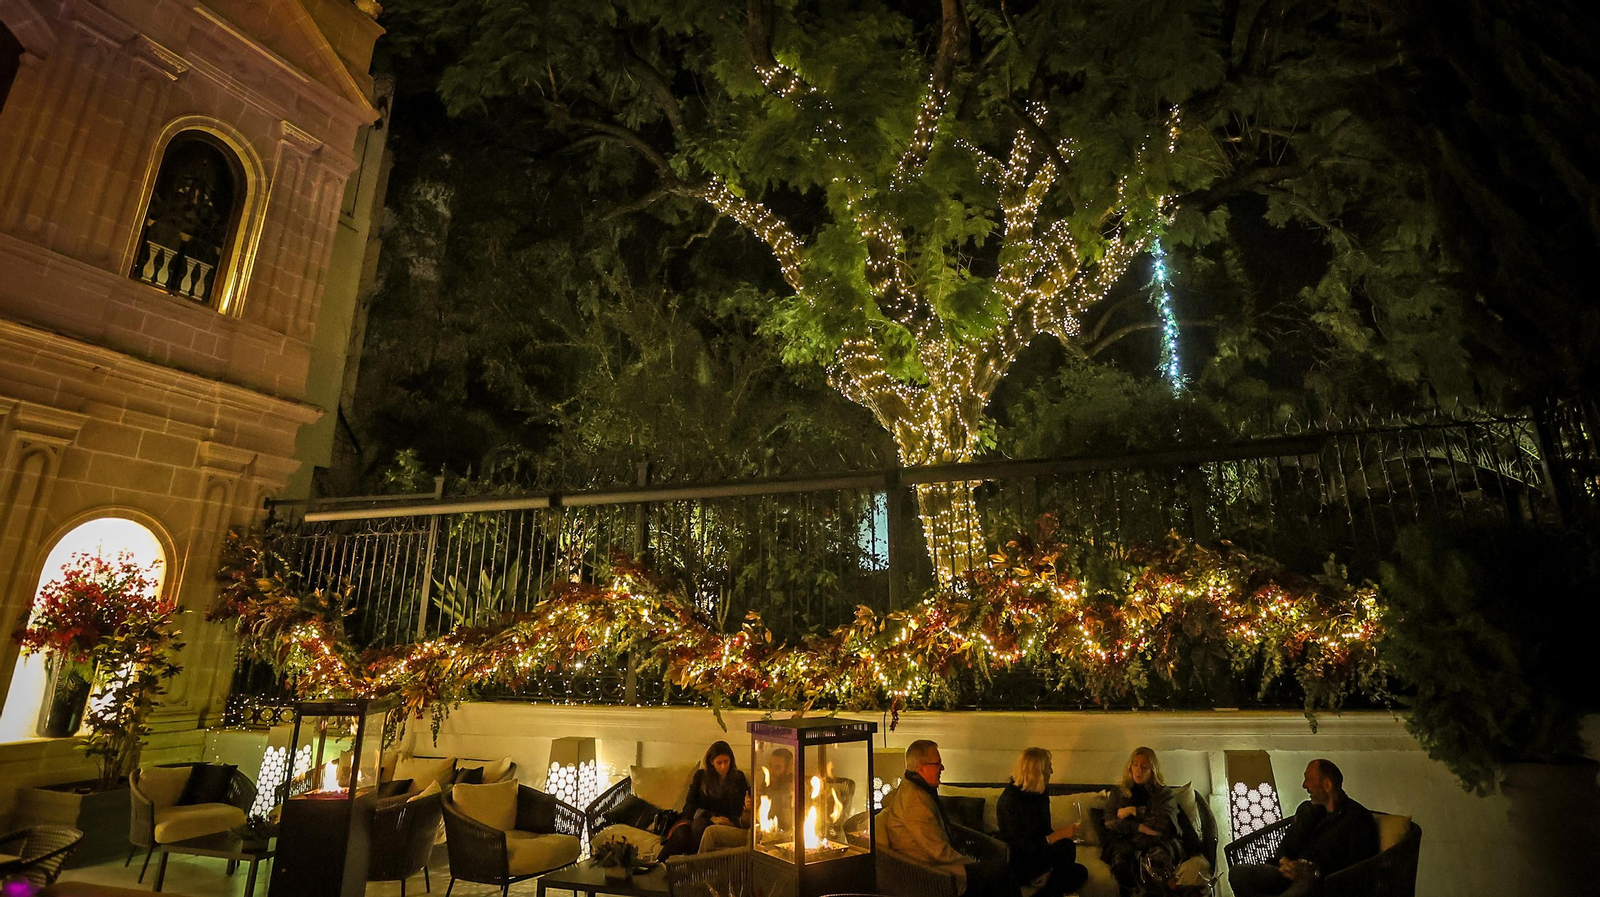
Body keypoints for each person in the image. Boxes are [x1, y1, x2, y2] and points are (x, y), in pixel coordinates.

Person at [876, 740, 1020, 897]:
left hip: (933, 865)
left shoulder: (913, 787)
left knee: (999, 872)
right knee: (1002, 874)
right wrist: (972, 865)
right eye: (937, 764)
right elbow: (939, 853)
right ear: (921, 768)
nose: (942, 768)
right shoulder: (915, 801)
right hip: (933, 873)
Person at [1228, 760, 1379, 897]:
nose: (1304, 785)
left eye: (1309, 779)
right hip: (1288, 875)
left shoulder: (1356, 817)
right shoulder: (1307, 811)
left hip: (1321, 883)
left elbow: (1359, 869)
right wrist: (1285, 862)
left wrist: (1314, 871)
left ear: (1327, 785)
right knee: (1238, 873)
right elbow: (1286, 846)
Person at [996, 748, 1089, 897]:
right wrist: (1056, 836)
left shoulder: (1040, 791)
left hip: (1040, 854)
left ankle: (1047, 887)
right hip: (1020, 859)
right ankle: (1049, 889)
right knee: (1068, 869)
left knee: (1078, 867)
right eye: (1048, 767)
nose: (1051, 771)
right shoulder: (1009, 800)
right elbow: (1018, 845)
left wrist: (1050, 871)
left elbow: (1045, 828)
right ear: (1037, 771)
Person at [1100, 747, 1182, 896]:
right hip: (1124, 842)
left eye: (1144, 767)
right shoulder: (1119, 791)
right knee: (1122, 861)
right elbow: (1109, 822)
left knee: (1155, 861)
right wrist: (1138, 827)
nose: (1138, 770)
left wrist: (1131, 812)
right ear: (1129, 766)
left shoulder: (1163, 793)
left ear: (1152, 770)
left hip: (1156, 842)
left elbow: (1162, 823)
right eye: (1135, 765)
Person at [661, 741, 750, 858]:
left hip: (725, 822)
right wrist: (712, 818)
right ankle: (658, 864)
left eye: (726, 762)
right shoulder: (701, 776)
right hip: (700, 818)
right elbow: (689, 807)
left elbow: (738, 810)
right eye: (719, 763)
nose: (723, 766)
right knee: (684, 832)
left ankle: (692, 863)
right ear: (711, 762)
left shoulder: (738, 778)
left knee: (700, 827)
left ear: (731, 761)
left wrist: (729, 821)